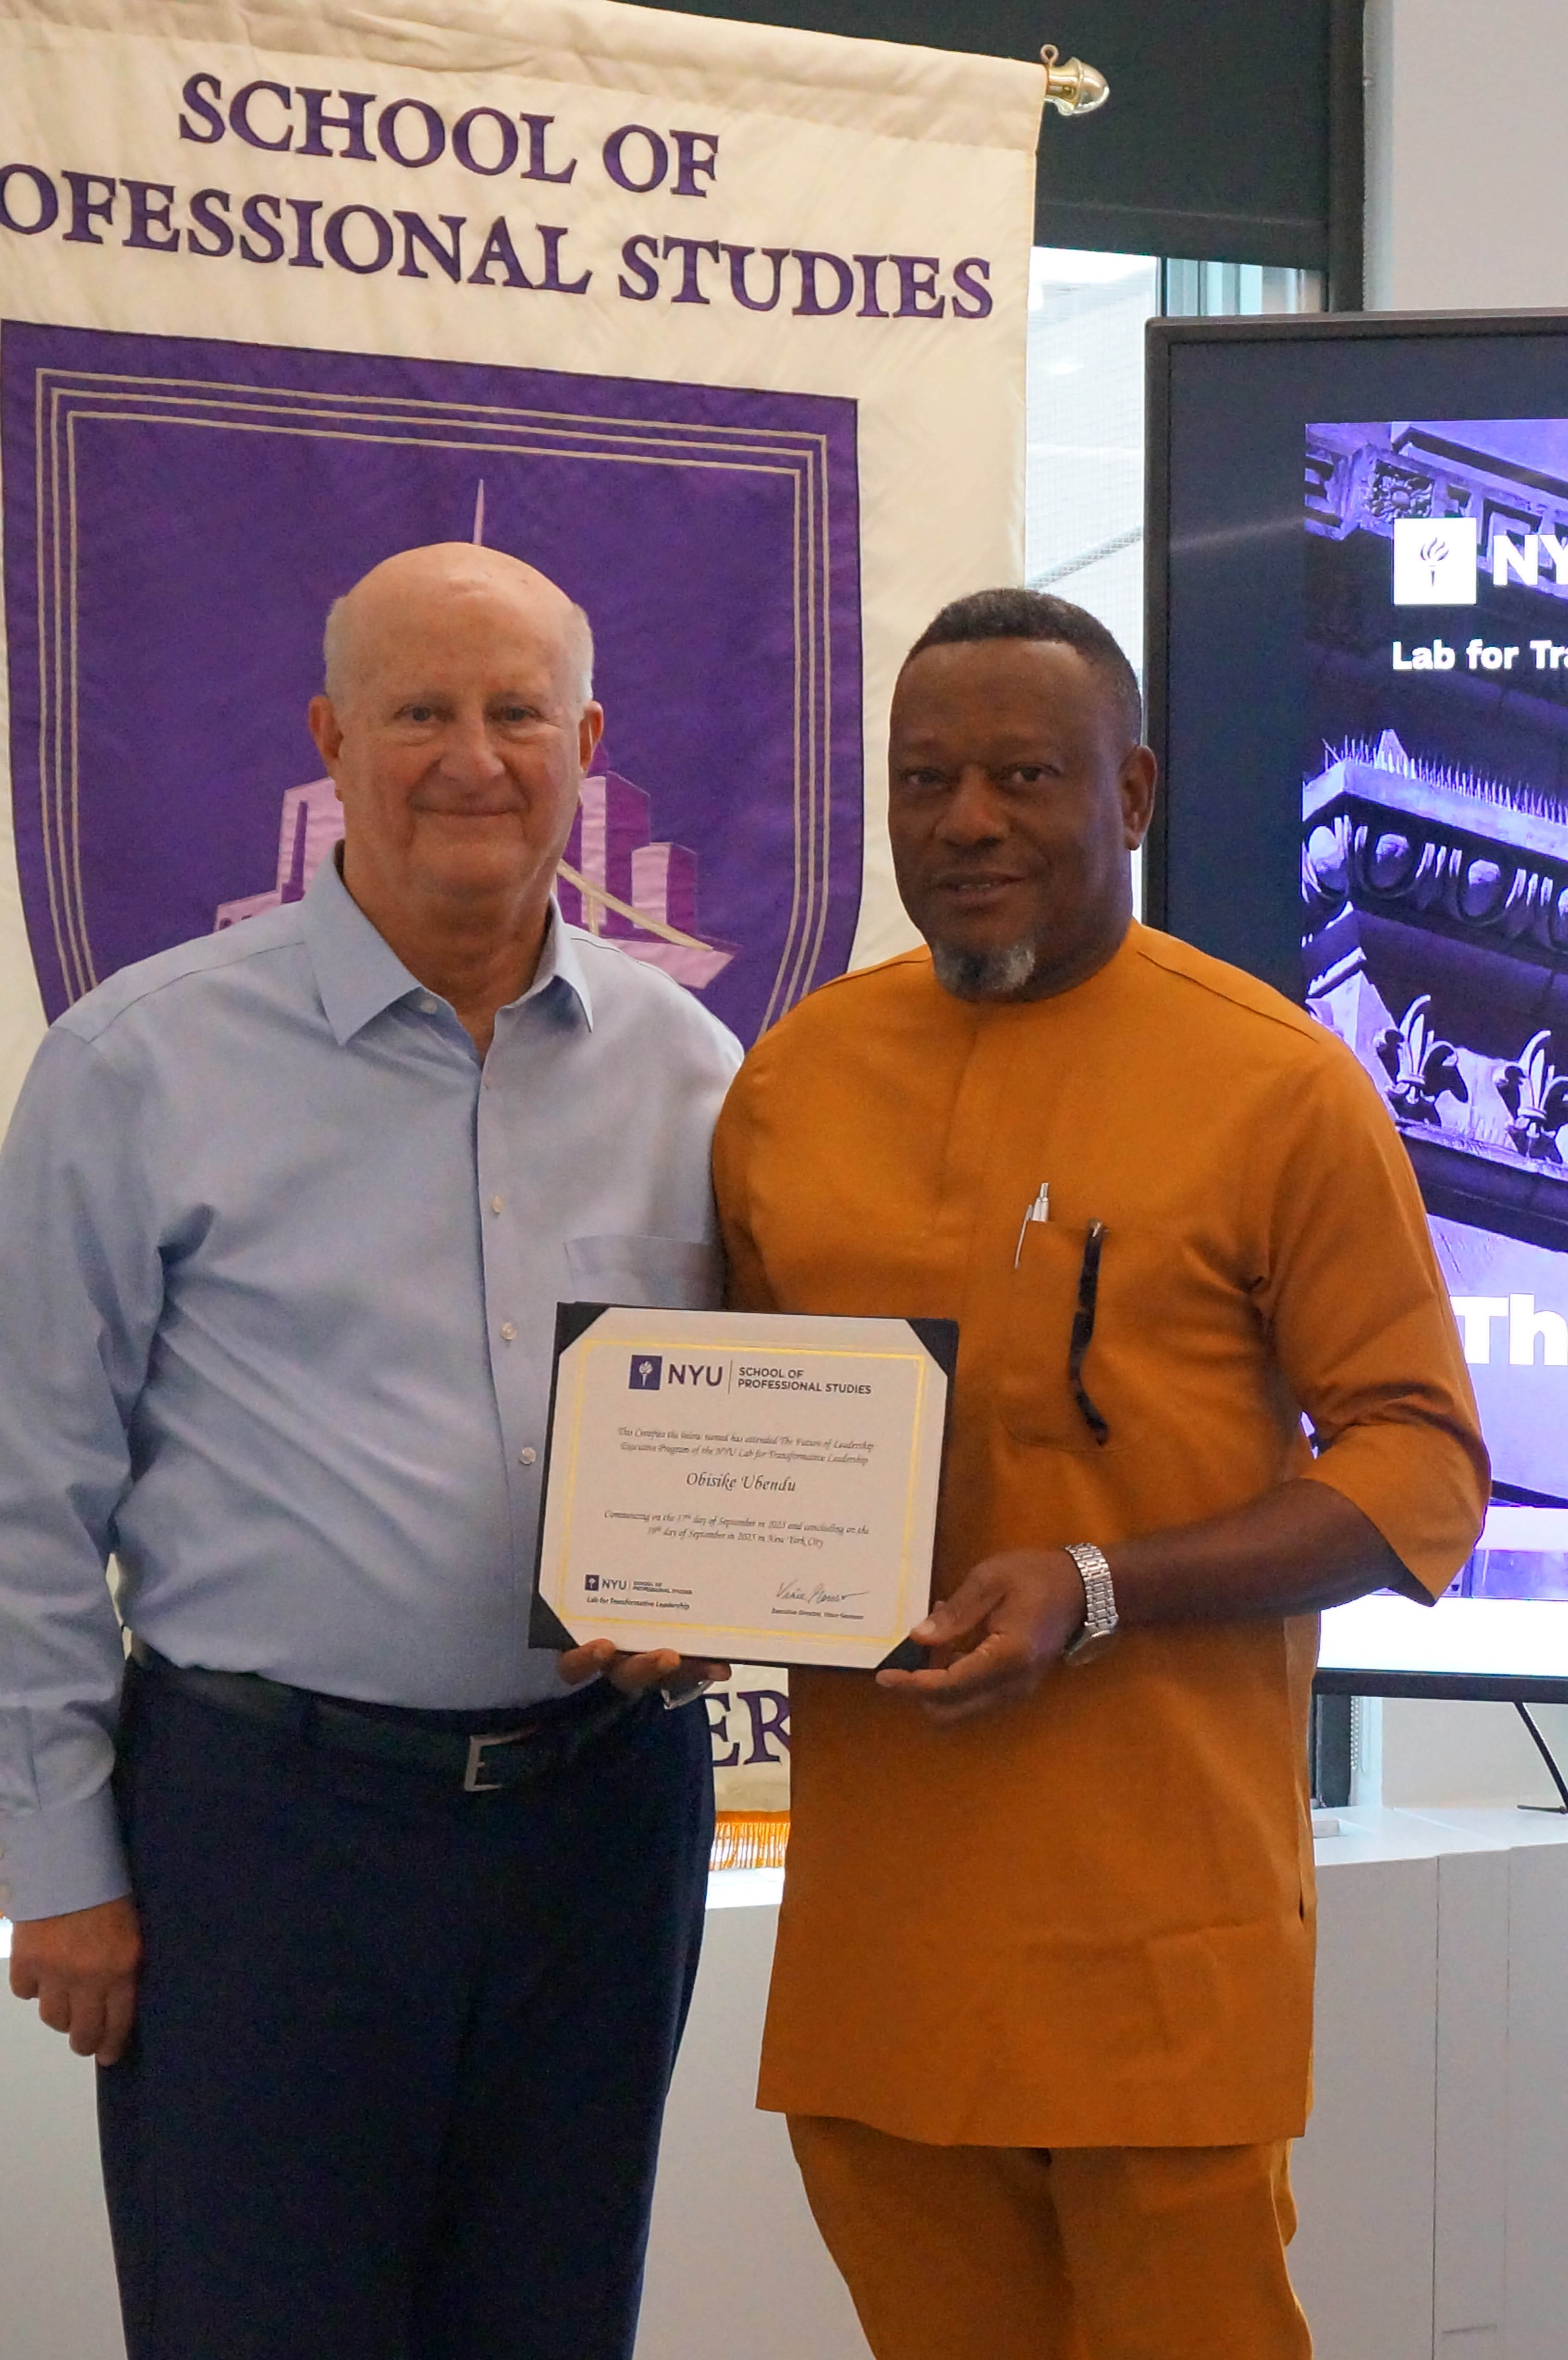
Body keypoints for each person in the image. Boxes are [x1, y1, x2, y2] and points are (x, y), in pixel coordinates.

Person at [711, 587, 1488, 2360]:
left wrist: (1102, 1585)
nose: (967, 822)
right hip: (883, 1950)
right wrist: (661, 1594)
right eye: (925, 781)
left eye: (1023, 776)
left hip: (1156, 1937)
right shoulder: (796, 1081)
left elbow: (1423, 1467)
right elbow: (732, 1440)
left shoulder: (1277, 1086)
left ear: (1131, 793)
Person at [0, 543, 740, 2360]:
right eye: (420, 712)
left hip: (602, 1834)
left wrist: (729, 1592)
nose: (472, 759)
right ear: (333, 740)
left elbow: (743, 1422)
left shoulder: (693, 1070)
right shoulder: (140, 1062)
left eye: (516, 714)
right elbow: (27, 1486)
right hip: (267, 1841)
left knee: (555, 2328)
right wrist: (60, 1860)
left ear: (588, 748)